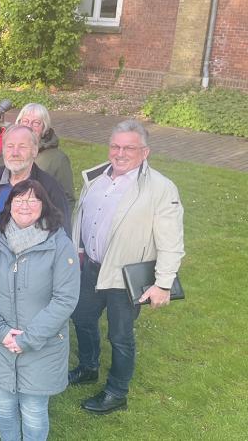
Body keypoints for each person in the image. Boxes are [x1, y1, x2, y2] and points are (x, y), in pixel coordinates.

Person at [70, 120, 185, 414]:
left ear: (144, 152)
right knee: (82, 319)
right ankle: (88, 367)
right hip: (92, 268)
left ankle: (117, 392)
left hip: (124, 276)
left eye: (129, 148)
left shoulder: (160, 188)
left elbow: (171, 241)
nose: (120, 153)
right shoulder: (96, 177)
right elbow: (83, 219)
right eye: (115, 146)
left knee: (120, 336)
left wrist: (162, 283)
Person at [0, 125, 71, 415]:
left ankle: (29, 396)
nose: (15, 152)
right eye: (10, 145)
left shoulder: (48, 186)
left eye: (22, 146)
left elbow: (63, 231)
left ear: (35, 151)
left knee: (27, 337)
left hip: (34, 279)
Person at [0, 180, 80, 441]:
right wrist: (1, 331)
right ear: (9, 206)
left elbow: (65, 299)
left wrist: (27, 339)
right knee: (3, 406)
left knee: (33, 409)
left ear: (44, 206)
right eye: (19, 200)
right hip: (1, 343)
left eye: (33, 200)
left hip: (42, 345)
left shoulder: (60, 245)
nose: (25, 205)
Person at [15, 103, 75, 205]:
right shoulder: (8, 153)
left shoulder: (58, 160)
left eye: (36, 123)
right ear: (18, 124)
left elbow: (67, 199)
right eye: (25, 121)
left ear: (44, 127)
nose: (29, 126)